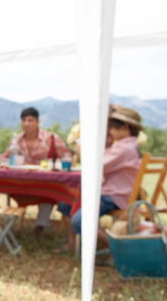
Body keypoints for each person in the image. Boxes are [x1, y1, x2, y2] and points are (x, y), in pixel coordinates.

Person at [57, 108, 143, 252]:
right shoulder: (125, 145)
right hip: (110, 192)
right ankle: (74, 244)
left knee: (80, 221)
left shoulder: (124, 148)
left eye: (113, 127)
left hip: (113, 196)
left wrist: (82, 150)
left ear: (125, 126)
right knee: (67, 202)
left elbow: (97, 165)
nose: (110, 131)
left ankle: (118, 249)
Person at [1, 107, 72, 238]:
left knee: (48, 193)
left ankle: (40, 227)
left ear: (37, 121)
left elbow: (67, 157)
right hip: (21, 183)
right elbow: (6, 158)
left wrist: (54, 166)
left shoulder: (51, 138)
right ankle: (4, 226)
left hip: (45, 183)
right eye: (24, 120)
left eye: (30, 120)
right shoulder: (16, 140)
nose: (27, 124)